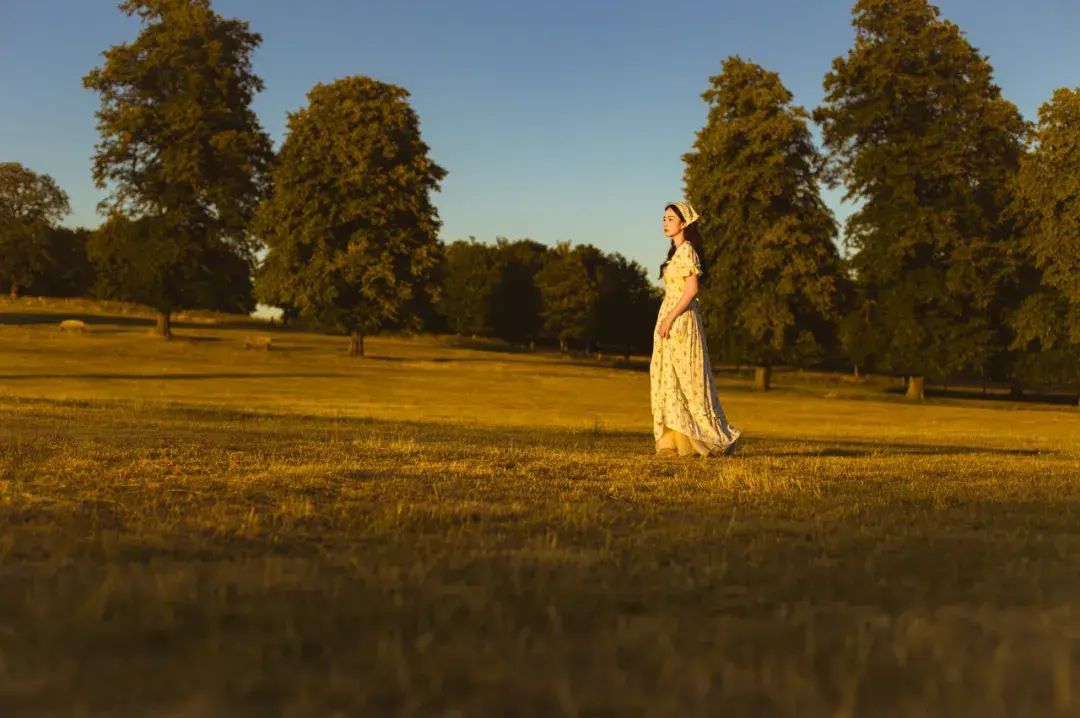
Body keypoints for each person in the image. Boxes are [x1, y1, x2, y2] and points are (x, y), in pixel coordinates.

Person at [650, 201, 741, 457]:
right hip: (670, 318)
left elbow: (691, 290)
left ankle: (714, 438)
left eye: (670, 218)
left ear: (683, 223)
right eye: (664, 218)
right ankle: (677, 442)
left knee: (689, 380)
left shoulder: (688, 250)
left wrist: (669, 319)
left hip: (681, 320)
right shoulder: (676, 253)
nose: (665, 222)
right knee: (670, 378)